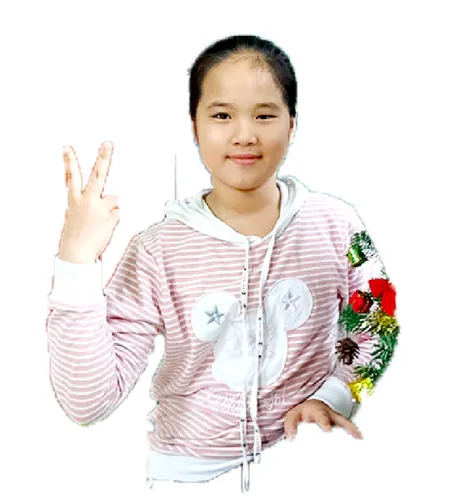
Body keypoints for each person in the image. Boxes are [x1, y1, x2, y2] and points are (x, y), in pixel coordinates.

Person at [45, 34, 400, 493]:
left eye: (265, 115)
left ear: (292, 125)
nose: (244, 134)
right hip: (186, 478)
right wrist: (76, 262)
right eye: (221, 115)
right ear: (194, 126)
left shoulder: (336, 225)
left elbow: (378, 321)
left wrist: (333, 397)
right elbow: (87, 403)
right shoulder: (157, 249)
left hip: (306, 467)